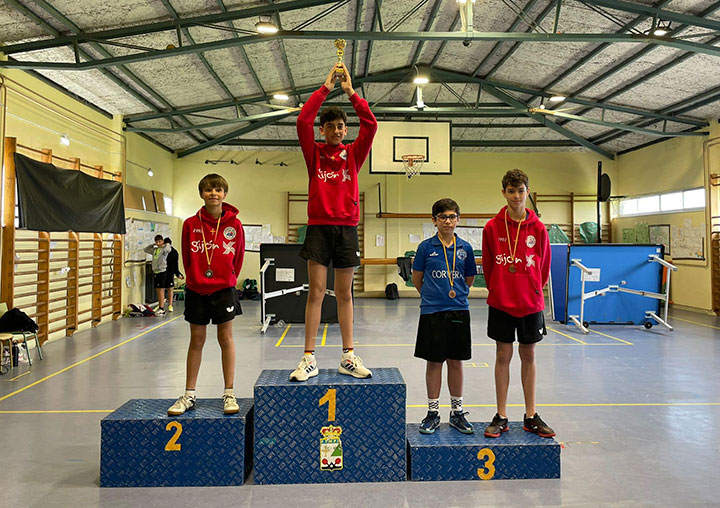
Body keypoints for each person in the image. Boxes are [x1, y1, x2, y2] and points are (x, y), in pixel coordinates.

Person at [290, 62, 377, 382]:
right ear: (322, 130)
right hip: (318, 227)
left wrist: (351, 92)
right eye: (331, 126)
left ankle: (348, 355)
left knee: (345, 293)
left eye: (341, 126)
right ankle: (308, 357)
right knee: (315, 292)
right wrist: (325, 88)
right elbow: (302, 119)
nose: (337, 130)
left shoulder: (354, 154)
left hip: (347, 227)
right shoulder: (313, 153)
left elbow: (371, 124)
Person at [482, 169, 555, 438]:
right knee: (503, 356)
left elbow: (544, 266)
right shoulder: (492, 227)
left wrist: (534, 288)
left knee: (529, 356)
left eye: (520, 191)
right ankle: (501, 415)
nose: (516, 196)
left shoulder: (538, 229)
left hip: (530, 303)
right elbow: (488, 266)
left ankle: (531, 415)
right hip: (502, 302)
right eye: (511, 191)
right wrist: (500, 288)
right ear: (504, 193)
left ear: (527, 193)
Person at [167, 173, 245, 416]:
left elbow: (239, 256)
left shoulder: (234, 225)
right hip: (196, 290)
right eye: (209, 189)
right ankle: (189, 393)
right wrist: (196, 279)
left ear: (225, 194)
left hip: (224, 290)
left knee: (226, 339)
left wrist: (229, 278)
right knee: (196, 340)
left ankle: (229, 392)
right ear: (201, 193)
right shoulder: (191, 224)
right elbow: (187, 258)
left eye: (218, 189)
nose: (214, 193)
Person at [412, 198, 477, 434]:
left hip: (459, 309)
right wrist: (432, 297)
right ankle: (433, 412)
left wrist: (455, 294)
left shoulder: (465, 248)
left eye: (451, 217)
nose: (447, 221)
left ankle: (457, 412)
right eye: (442, 217)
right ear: (434, 221)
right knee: (434, 362)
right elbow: (417, 279)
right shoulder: (425, 248)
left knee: (456, 361)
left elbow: (469, 279)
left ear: (458, 220)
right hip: (432, 311)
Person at [144, 235, 171, 315]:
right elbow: (146, 249)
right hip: (155, 271)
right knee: (157, 290)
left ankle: (161, 308)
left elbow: (168, 249)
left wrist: (166, 244)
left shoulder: (164, 250)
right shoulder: (155, 250)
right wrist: (153, 244)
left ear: (162, 241)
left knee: (161, 289)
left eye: (159, 241)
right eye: (156, 242)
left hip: (162, 271)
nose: (158, 243)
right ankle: (160, 306)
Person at [163, 237, 184, 312]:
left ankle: (170, 305)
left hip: (170, 272)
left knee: (170, 288)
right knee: (162, 289)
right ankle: (161, 305)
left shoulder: (174, 252)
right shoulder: (161, 251)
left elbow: (176, 264)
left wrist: (178, 273)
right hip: (162, 271)